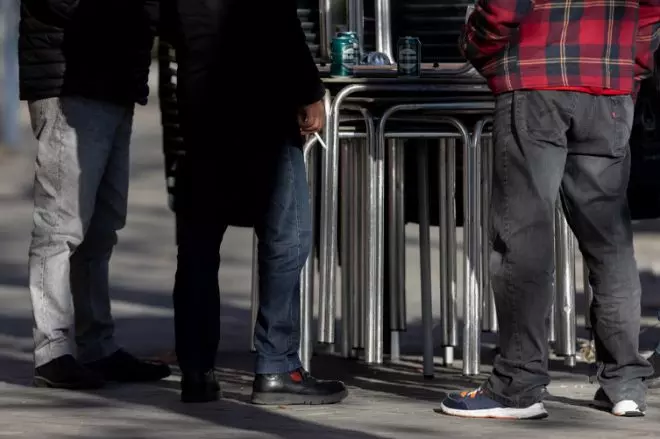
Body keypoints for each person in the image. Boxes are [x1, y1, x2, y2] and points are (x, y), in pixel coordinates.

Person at [439, 0, 660, 419]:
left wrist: (477, 48)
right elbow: (650, 13)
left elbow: (502, 7)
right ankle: (626, 383)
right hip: (609, 85)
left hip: (535, 81)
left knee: (523, 233)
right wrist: (630, 67)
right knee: (610, 242)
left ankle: (518, 385)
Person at [164, 0, 348, 404]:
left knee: (198, 244)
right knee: (287, 238)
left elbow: (167, 25)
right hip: (261, 107)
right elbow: (278, 22)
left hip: (201, 107)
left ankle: (196, 370)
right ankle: (278, 366)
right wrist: (310, 92)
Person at [19, 0, 171, 389]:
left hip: (116, 85)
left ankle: (98, 346)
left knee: (102, 228)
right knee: (59, 228)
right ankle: (52, 350)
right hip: (70, 87)